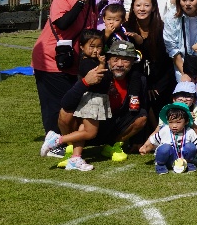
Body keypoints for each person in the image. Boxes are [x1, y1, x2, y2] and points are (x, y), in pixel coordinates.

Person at [41, 40, 147, 170]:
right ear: (108, 59)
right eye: (115, 59)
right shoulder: (96, 73)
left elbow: (142, 106)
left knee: (142, 116)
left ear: (133, 62)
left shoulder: (138, 79)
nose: (119, 64)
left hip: (113, 124)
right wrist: (85, 82)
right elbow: (66, 102)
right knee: (66, 112)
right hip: (88, 122)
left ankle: (113, 146)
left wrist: (138, 140)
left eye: (125, 60)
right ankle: (70, 148)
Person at [33, 0, 101, 144]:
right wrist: (79, 2)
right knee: (56, 103)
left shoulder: (92, 6)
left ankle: (66, 140)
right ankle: (53, 141)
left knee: (70, 101)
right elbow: (63, 24)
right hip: (50, 58)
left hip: (71, 62)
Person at [139, 102, 197, 174]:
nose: (174, 125)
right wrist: (145, 147)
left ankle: (188, 163)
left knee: (191, 146)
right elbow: (153, 140)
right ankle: (160, 165)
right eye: (171, 122)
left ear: (186, 122)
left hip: (183, 159)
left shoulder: (189, 131)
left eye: (178, 122)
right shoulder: (165, 130)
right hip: (168, 159)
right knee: (165, 148)